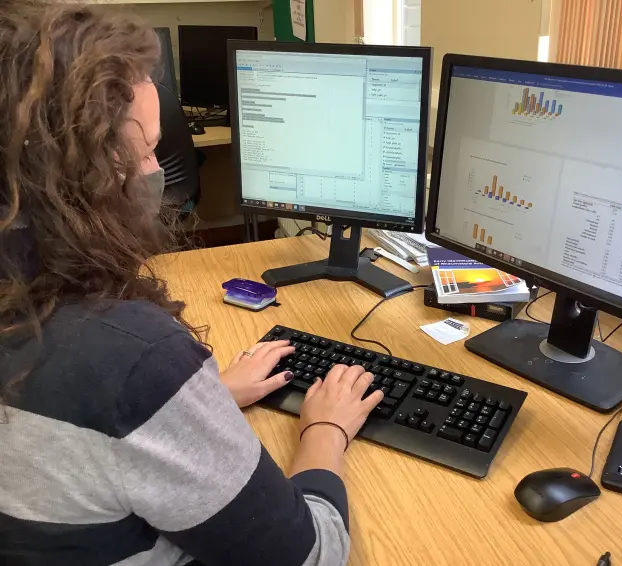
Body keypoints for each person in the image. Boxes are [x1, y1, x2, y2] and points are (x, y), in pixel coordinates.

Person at [0, 2, 384, 565]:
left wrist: (198, 404)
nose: (157, 170)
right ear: (83, 172)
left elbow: (63, 450)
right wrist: (324, 430)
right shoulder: (124, 358)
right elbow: (314, 557)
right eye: (149, 147)